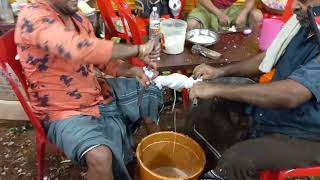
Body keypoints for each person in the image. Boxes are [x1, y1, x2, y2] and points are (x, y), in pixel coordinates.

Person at [14, 0, 163, 179]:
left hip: (95, 91)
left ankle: (157, 161)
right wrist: (139, 50)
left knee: (149, 91)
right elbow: (78, 48)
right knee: (100, 156)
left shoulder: (77, 17)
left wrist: (130, 70)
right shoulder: (33, 16)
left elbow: (97, 56)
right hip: (63, 109)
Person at [190, 0, 320, 179]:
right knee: (211, 106)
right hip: (274, 114)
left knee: (238, 161)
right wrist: (218, 72)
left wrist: (215, 88)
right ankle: (206, 165)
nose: (295, 6)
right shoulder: (303, 26)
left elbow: (291, 94)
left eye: (304, 1)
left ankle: (226, 165)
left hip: (308, 135)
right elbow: (267, 59)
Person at [187, 0, 263, 32]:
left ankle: (250, 54)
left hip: (230, 9)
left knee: (256, 15)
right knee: (192, 24)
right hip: (208, 8)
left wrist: (244, 13)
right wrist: (219, 14)